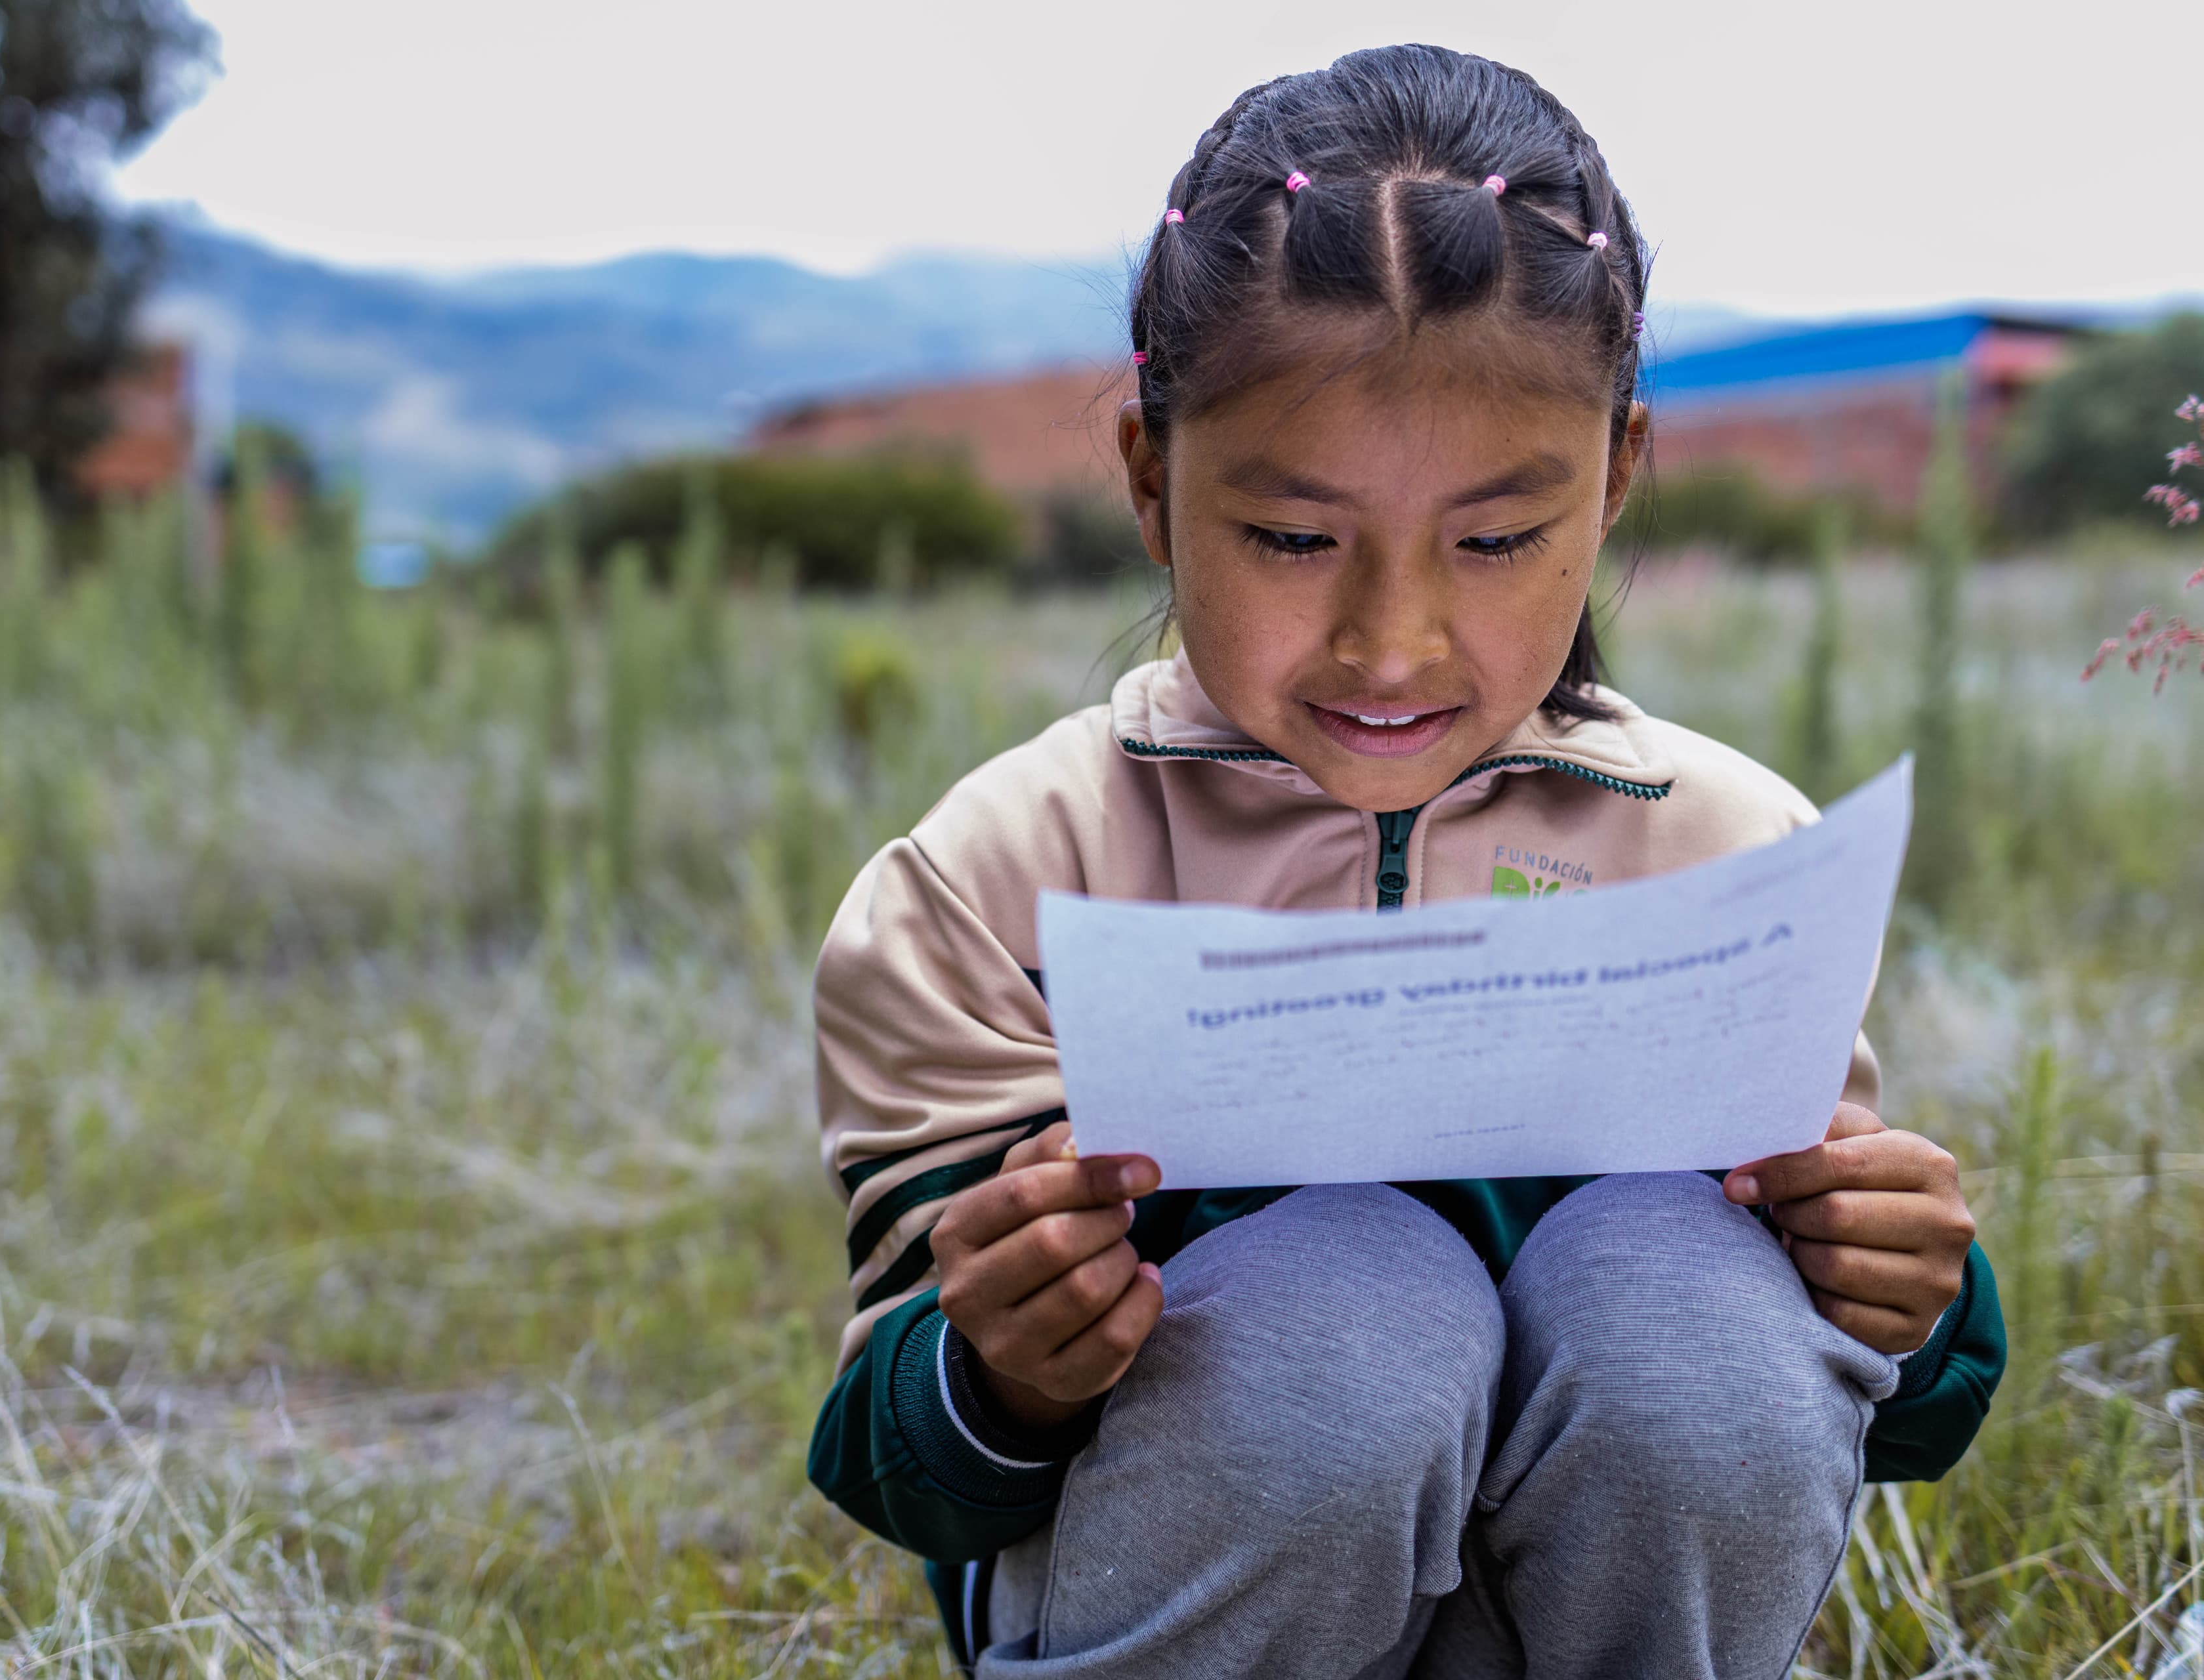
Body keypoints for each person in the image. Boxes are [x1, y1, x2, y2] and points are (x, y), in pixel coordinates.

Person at [805, 44, 2004, 1679]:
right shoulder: (1000, 882)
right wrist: (1001, 1365)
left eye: (1497, 540)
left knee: (1688, 1300)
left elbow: (1854, 1405)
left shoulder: (1727, 857)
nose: (1392, 641)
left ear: (1616, 477)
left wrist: (1910, 1296)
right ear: (1153, 479)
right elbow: (899, 1462)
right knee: (1353, 1306)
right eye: (1294, 538)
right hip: (1184, 1615)